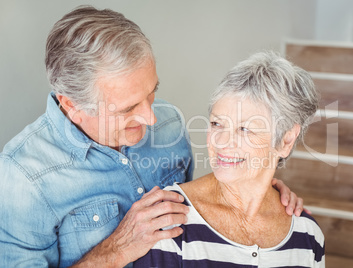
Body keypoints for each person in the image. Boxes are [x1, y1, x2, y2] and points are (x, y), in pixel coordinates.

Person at [0, 6, 304, 267]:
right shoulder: (22, 177)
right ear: (72, 106)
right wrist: (115, 251)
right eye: (128, 108)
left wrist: (257, 184)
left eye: (152, 92)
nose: (151, 118)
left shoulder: (169, 124)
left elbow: (199, 201)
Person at [134, 51, 325, 267]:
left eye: (244, 129)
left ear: (285, 140)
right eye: (217, 123)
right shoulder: (169, 221)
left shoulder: (307, 235)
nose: (222, 142)